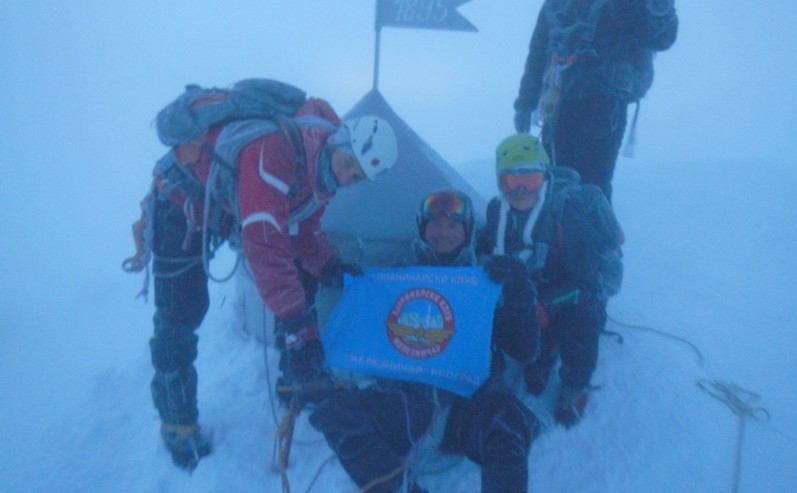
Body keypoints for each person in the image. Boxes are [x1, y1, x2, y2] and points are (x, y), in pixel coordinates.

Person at [145, 94, 398, 470]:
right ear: (338, 143)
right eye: (349, 165)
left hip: (223, 208)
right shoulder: (277, 149)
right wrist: (295, 322)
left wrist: (327, 264)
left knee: (303, 275)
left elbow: (302, 229)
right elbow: (265, 238)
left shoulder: (322, 172)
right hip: (178, 201)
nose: (347, 179)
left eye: (357, 176)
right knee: (181, 313)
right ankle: (176, 422)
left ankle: (294, 379)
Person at [309, 190, 541, 493]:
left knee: (506, 416)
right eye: (435, 225)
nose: (443, 233)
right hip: (406, 403)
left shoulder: (487, 279)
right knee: (334, 412)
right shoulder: (396, 277)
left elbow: (525, 349)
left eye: (453, 225)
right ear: (422, 228)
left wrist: (520, 296)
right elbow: (365, 336)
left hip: (466, 403)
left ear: (467, 230)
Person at [513, 0, 678, 201]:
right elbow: (538, 49)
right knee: (553, 189)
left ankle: (594, 249)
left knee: (589, 191)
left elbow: (656, 39)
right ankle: (558, 248)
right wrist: (525, 101)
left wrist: (661, 12)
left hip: (602, 103)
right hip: (558, 104)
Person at [476, 134, 623, 427]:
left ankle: (575, 383)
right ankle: (540, 356)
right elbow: (485, 249)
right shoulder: (497, 211)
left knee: (580, 322)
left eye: (529, 179)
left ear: (543, 177)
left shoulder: (568, 214)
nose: (519, 189)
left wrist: (547, 305)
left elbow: (591, 284)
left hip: (575, 294)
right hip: (530, 290)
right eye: (509, 181)